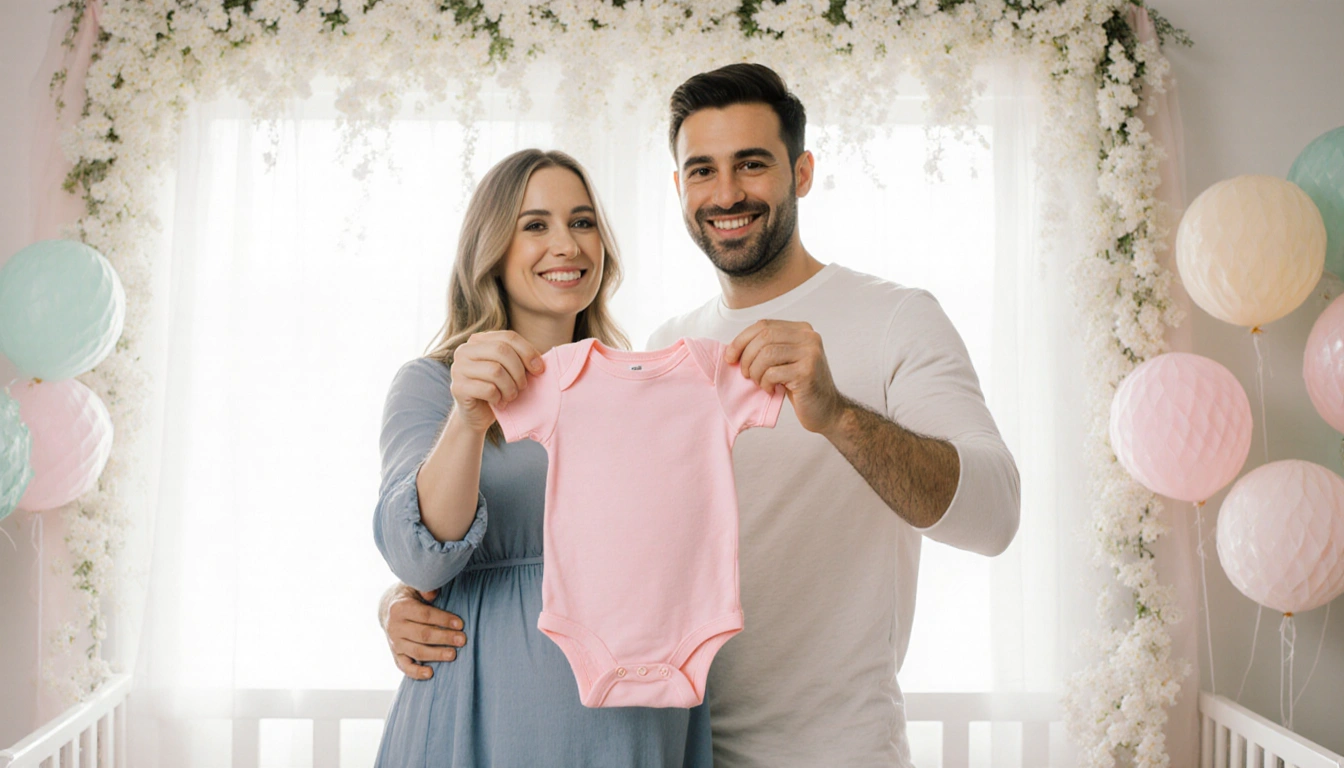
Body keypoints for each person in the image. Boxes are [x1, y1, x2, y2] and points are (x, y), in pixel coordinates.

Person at [382, 63, 1021, 767]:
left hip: (829, 750)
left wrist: (835, 413)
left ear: (801, 172)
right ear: (678, 188)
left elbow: (993, 518)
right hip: (668, 735)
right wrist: (401, 600)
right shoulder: (663, 349)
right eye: (702, 170)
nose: (726, 193)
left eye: (752, 165)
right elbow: (569, 539)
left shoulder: (896, 318)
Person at [372, 148, 711, 767]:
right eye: (535, 225)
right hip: (481, 706)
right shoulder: (431, 386)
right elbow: (417, 555)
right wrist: (470, 418)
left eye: (583, 223)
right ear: (492, 250)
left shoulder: (645, 391)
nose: (567, 245)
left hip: (634, 720)